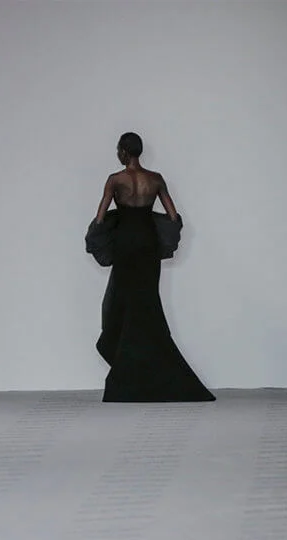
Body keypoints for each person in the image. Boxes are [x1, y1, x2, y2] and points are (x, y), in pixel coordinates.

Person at [92, 132, 215, 403]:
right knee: (147, 303)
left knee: (123, 303)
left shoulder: (115, 180)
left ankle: (128, 376)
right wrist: (153, 226)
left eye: (118, 150)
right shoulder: (156, 179)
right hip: (147, 244)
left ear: (124, 152)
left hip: (126, 244)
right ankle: (158, 375)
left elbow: (99, 219)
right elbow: (173, 217)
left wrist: (110, 227)